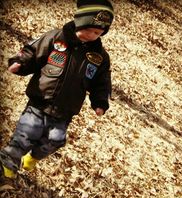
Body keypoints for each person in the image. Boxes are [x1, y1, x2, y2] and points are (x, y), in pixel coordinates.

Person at [0, 0, 114, 180]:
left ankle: (33, 157)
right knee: (26, 134)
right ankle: (8, 163)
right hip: (39, 102)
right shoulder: (56, 38)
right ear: (80, 22)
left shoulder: (99, 57)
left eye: (98, 33)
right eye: (90, 30)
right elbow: (33, 50)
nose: (93, 35)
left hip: (65, 111)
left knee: (56, 140)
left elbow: (102, 82)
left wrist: (100, 102)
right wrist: (20, 63)